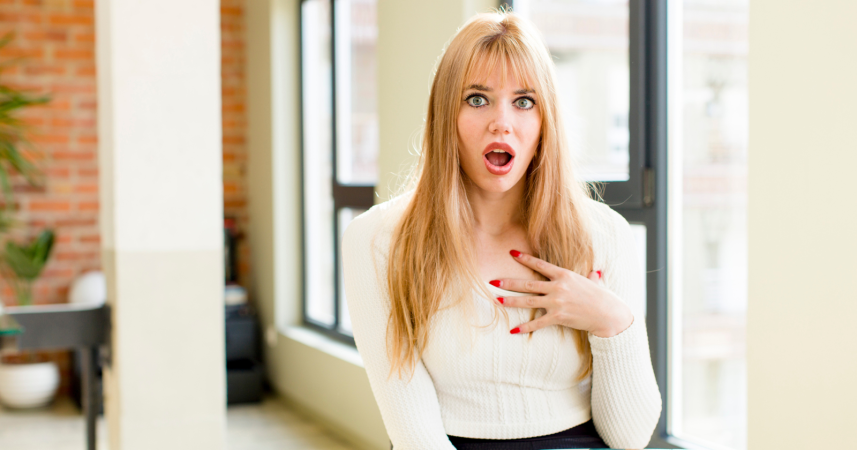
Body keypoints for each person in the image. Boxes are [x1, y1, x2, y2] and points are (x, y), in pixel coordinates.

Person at [342, 10, 661, 450]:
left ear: (545, 122)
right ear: (445, 115)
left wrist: (612, 321)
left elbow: (629, 437)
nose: (502, 122)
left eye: (524, 101)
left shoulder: (604, 235)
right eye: (477, 99)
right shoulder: (378, 240)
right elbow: (415, 434)